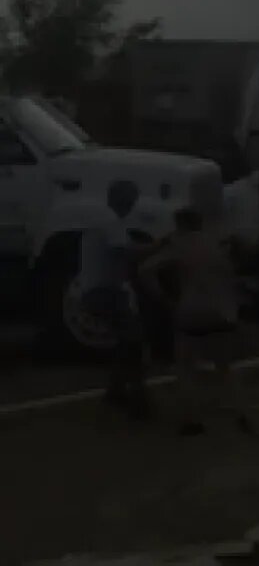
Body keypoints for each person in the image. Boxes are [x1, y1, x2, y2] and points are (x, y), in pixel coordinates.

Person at [139, 207, 250, 437]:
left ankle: (193, 420)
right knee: (224, 366)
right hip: (223, 311)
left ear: (179, 224)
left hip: (192, 312)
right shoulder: (216, 242)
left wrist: (162, 297)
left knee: (185, 366)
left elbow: (145, 269)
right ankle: (243, 414)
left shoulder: (178, 244)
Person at [81, 180, 150, 419]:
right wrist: (161, 245)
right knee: (134, 341)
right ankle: (138, 400)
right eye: (130, 200)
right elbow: (127, 253)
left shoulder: (104, 221)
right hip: (104, 292)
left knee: (126, 342)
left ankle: (116, 392)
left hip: (96, 291)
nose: (132, 205)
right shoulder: (111, 222)